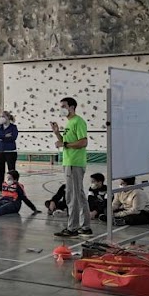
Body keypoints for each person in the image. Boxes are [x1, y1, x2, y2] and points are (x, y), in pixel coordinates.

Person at [52, 97, 91, 239]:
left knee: (72, 196)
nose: (61, 108)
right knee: (78, 195)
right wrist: (57, 133)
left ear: (72, 107)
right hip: (69, 162)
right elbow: (66, 142)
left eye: (64, 106)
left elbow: (83, 142)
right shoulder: (69, 123)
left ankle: (73, 228)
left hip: (75, 163)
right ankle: (85, 227)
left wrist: (65, 145)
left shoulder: (78, 121)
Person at [0, 111, 19, 190]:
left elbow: (13, 137)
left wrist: (1, 138)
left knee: (11, 171)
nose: (1, 118)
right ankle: (0, 188)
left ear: (7, 117)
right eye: (1, 117)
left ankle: (13, 187)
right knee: (0, 171)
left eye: (3, 116)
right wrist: (4, 136)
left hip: (10, 152)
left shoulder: (13, 127)